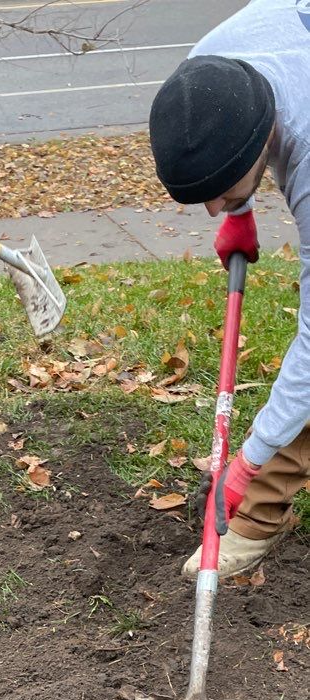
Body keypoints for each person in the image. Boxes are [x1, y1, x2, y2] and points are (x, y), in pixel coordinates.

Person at [148, 0, 310, 578]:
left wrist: (248, 462)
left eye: (221, 193)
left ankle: (261, 509)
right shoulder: (207, 76)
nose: (212, 206)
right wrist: (240, 211)